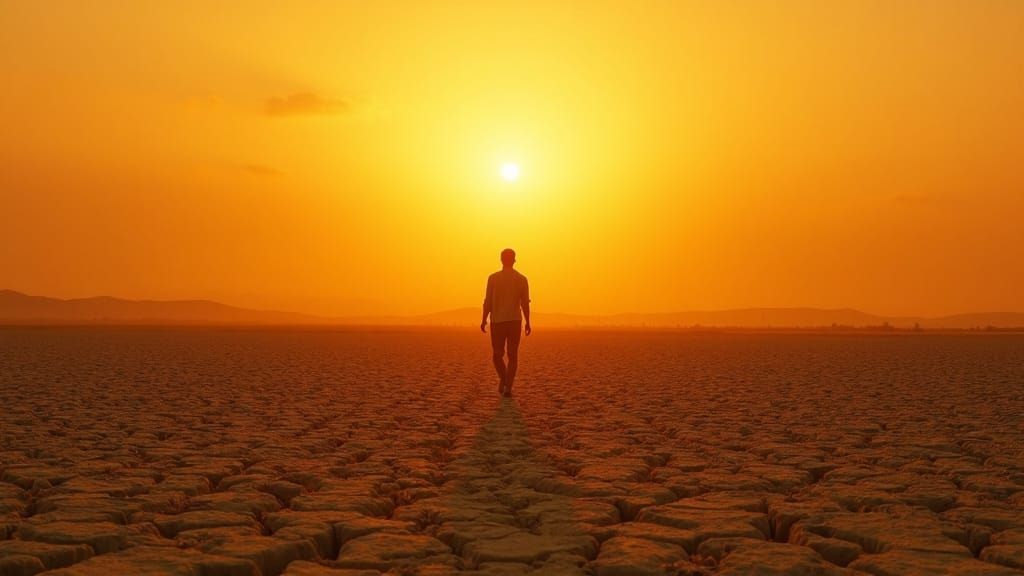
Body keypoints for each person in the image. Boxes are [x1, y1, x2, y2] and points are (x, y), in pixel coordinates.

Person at [480, 248, 531, 397]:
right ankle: (506, 380)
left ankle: (507, 385)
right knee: (510, 355)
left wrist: (484, 319)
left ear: (501, 260)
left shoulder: (496, 278)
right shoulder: (519, 279)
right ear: (514, 260)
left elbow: (487, 302)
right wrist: (528, 322)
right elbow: (525, 305)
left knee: (498, 355)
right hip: (511, 321)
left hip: (500, 322)